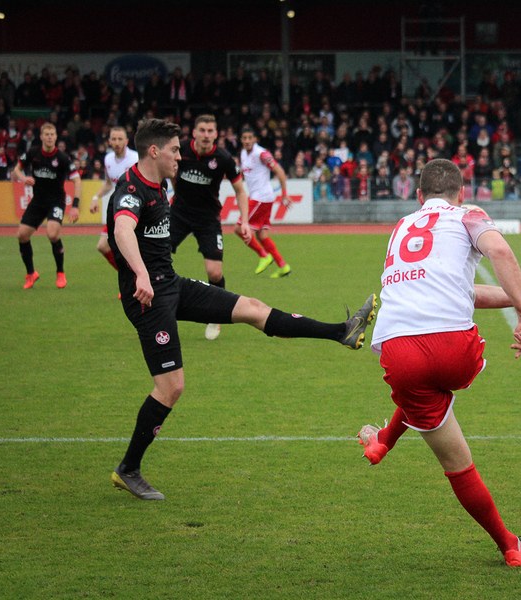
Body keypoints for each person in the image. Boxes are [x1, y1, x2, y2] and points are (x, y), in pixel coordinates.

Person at [107, 118, 377, 501]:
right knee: (171, 387)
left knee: (253, 307)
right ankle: (128, 469)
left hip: (171, 285)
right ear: (154, 151)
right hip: (147, 298)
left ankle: (341, 331)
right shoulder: (132, 189)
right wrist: (140, 274)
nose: (180, 156)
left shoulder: (161, 185)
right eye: (175, 150)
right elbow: (121, 230)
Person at [356, 159, 521, 568]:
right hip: (453, 348)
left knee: (453, 458)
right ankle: (510, 547)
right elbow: (499, 250)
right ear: (462, 193)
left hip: (397, 350)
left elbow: (461, 291)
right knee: (438, 387)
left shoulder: (401, 226)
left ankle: (508, 545)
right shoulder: (467, 215)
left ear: (419, 196)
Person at [170, 114, 250, 341]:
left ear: (216, 134)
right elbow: (171, 175)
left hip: (207, 218)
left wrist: (244, 221)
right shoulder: (180, 150)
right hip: (179, 214)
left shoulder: (223, 159)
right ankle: (158, 304)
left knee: (214, 272)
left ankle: (216, 314)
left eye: (210, 131)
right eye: (202, 130)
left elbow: (240, 191)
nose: (206, 135)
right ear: (194, 132)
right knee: (156, 254)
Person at [12, 123, 82, 289]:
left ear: (56, 137)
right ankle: (31, 274)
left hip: (56, 201)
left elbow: (77, 180)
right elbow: (16, 169)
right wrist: (23, 178)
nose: (50, 137)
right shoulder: (33, 153)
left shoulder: (63, 158)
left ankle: (60, 272)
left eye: (52, 134)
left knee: (52, 234)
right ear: (41, 136)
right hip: (38, 201)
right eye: (47, 134)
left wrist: (75, 206)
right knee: (22, 235)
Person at [237, 126, 293, 279]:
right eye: (244, 138)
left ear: (255, 139)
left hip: (261, 197)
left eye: (250, 138)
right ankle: (283, 266)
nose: (247, 141)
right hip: (260, 197)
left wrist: (284, 194)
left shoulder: (261, 153)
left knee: (239, 228)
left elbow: (280, 171)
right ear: (241, 140)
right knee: (262, 235)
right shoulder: (243, 153)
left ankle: (263, 255)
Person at [89, 126, 139, 275]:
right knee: (102, 246)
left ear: (126, 141)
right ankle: (128, 275)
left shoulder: (135, 159)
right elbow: (108, 184)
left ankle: (139, 278)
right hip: (117, 209)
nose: (117, 142)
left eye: (120, 139)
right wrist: (95, 198)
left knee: (135, 249)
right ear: (109, 141)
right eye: (114, 139)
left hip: (135, 210)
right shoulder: (108, 159)